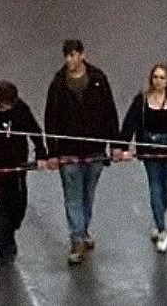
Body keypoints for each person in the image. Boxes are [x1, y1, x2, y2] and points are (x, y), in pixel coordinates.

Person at [44, 38, 123, 265]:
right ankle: (77, 238)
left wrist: (114, 144)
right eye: (66, 56)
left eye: (73, 55)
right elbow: (51, 119)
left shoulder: (98, 79)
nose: (69, 60)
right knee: (73, 197)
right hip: (69, 152)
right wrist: (53, 151)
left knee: (88, 195)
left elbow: (110, 112)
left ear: (82, 55)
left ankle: (83, 229)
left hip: (95, 149)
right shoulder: (58, 84)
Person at [0, 80, 48, 267]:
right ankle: (4, 245)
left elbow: (34, 130)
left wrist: (41, 153)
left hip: (16, 165)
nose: (8, 108)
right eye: (4, 105)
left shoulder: (20, 109)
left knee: (18, 205)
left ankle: (11, 230)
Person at [121, 62, 167, 253]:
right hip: (150, 150)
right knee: (155, 186)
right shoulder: (142, 100)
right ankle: (162, 230)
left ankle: (157, 218)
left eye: (162, 77)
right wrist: (122, 147)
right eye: (155, 77)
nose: (158, 81)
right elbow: (130, 121)